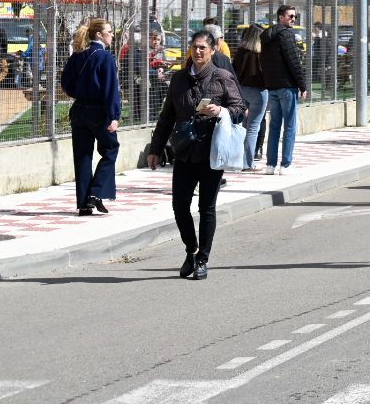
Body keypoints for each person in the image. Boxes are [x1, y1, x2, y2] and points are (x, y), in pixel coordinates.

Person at [145, 31, 245, 280]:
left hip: (211, 151)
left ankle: (202, 259)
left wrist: (221, 110)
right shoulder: (179, 78)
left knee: (206, 207)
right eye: (194, 47)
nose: (198, 52)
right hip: (185, 151)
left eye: (202, 47)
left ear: (212, 50)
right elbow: (167, 116)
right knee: (179, 206)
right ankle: (191, 249)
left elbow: (240, 109)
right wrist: (155, 149)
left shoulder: (222, 77)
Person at [61, 18, 122, 214]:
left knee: (83, 156)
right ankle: (95, 193)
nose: (112, 34)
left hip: (79, 110)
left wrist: (79, 94)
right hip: (99, 112)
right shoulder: (105, 57)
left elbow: (66, 83)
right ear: (99, 35)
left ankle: (84, 204)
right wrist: (114, 115)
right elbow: (111, 89)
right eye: (109, 31)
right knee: (111, 149)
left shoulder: (78, 55)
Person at [261, 5, 309, 175]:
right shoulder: (286, 35)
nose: (293, 19)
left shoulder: (266, 36)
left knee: (274, 126)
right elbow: (294, 61)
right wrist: (302, 85)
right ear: (281, 17)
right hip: (287, 87)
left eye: (295, 16)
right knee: (290, 126)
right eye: (290, 16)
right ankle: (286, 164)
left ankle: (270, 165)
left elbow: (264, 62)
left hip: (272, 86)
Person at [233, 26, 268, 170]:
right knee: (253, 128)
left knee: (244, 126)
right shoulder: (261, 54)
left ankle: (240, 160)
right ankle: (248, 163)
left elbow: (233, 71)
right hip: (259, 92)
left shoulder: (240, 51)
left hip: (242, 91)